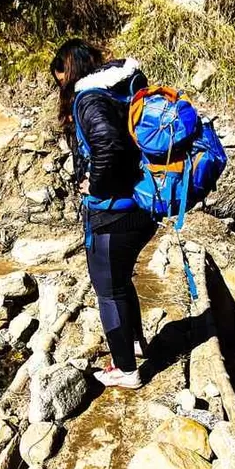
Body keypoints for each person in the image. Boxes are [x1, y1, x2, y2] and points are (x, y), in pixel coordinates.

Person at [51, 39, 156, 390]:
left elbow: (108, 144)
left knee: (108, 290)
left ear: (70, 72)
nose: (60, 87)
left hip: (112, 213)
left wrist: (95, 185)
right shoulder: (123, 88)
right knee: (121, 281)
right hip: (142, 202)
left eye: (60, 79)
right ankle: (135, 344)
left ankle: (125, 370)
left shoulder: (89, 98)